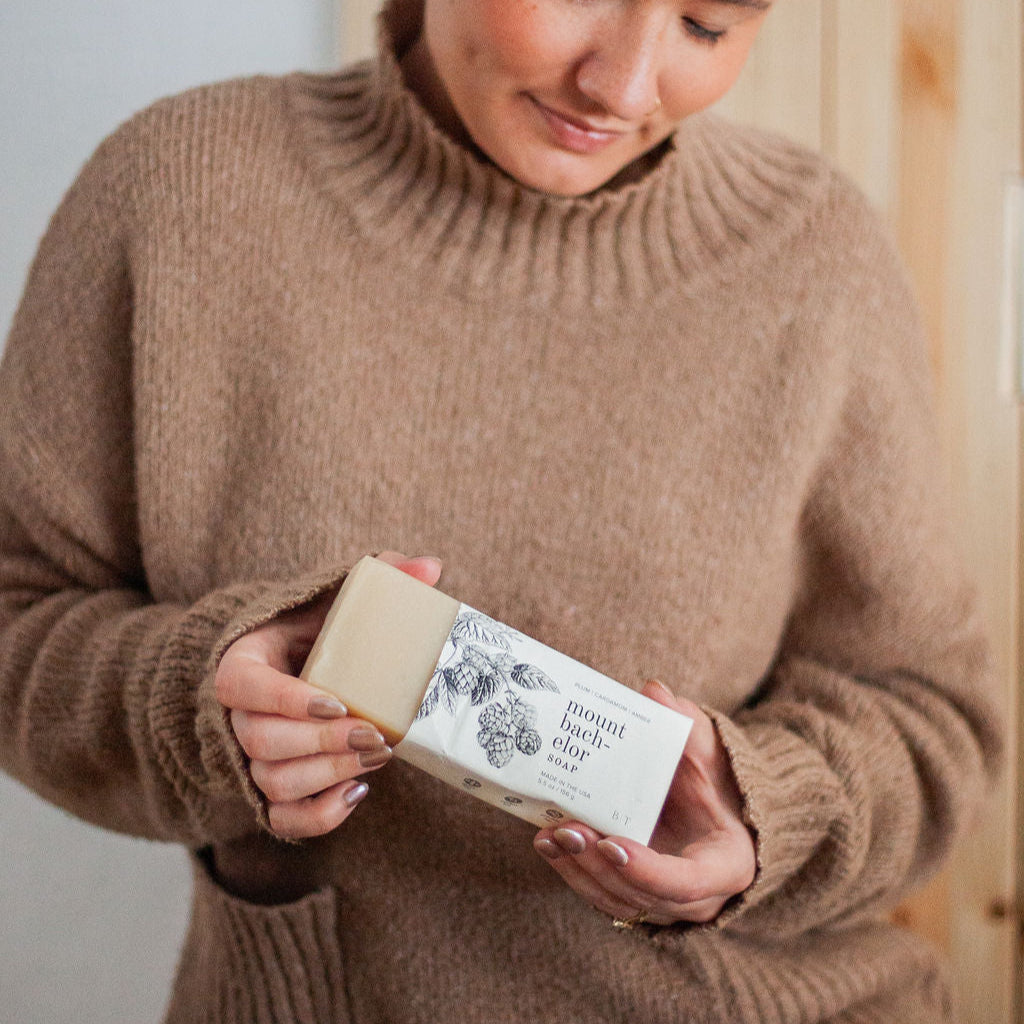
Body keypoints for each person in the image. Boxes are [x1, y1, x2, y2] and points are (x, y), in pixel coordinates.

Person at [0, 0, 1002, 1020]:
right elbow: (18, 615)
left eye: (705, 23)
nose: (623, 86)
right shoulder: (182, 190)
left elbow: (932, 715)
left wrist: (764, 810)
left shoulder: (814, 256)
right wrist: (196, 706)